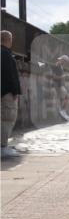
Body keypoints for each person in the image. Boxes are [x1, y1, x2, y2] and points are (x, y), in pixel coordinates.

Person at [1, 30, 22, 159]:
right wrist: (15, 91)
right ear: (8, 39)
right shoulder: (6, 54)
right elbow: (10, 75)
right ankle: (2, 147)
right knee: (7, 119)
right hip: (6, 93)